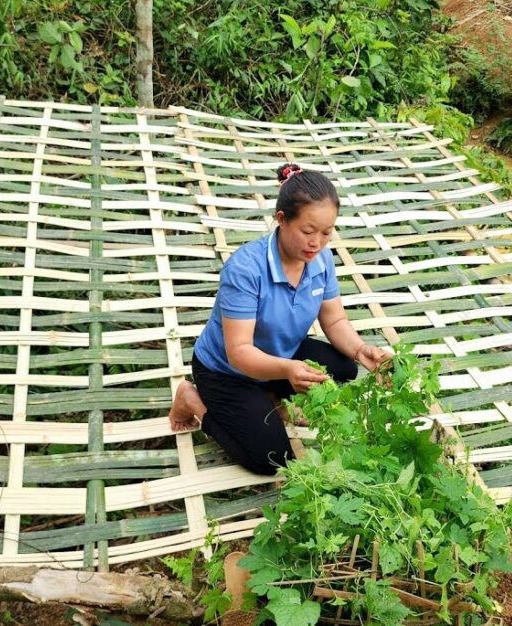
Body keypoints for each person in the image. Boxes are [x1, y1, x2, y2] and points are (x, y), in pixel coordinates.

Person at [167, 163, 391, 475]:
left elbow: (335, 321)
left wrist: (360, 349)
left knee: (343, 368)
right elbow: (240, 351)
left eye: (326, 233)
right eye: (308, 232)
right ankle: (193, 400)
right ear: (282, 220)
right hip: (228, 371)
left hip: (279, 355)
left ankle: (270, 396)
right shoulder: (246, 270)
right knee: (269, 459)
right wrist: (288, 369)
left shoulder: (321, 259)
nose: (317, 243)